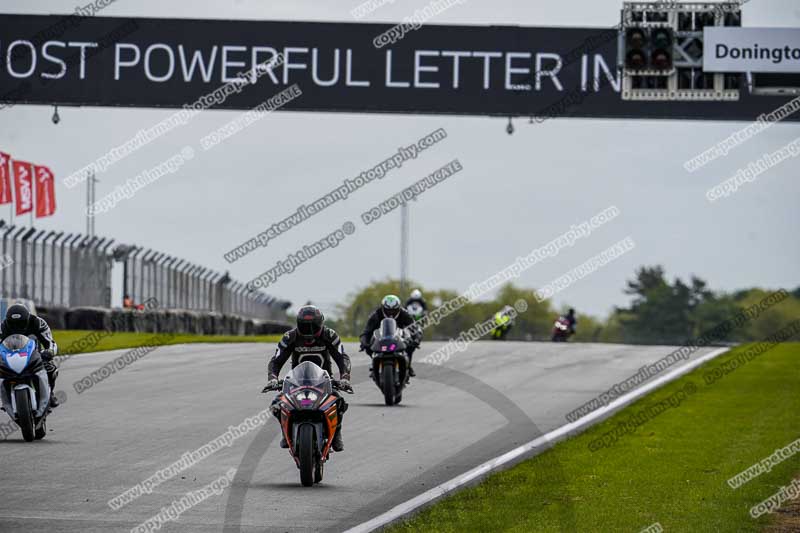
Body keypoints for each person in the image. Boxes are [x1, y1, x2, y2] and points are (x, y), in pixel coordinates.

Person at [263, 305, 351, 451]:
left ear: (320, 323)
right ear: (298, 324)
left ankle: (337, 434)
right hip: (296, 383)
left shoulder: (330, 335)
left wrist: (345, 378)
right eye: (305, 326)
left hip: (324, 382)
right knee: (277, 404)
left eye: (313, 325)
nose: (309, 330)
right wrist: (272, 378)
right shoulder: (289, 337)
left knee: (339, 402)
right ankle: (285, 432)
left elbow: (342, 358)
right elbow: (276, 361)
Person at [0, 303, 60, 408]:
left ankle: (49, 393)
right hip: (10, 356)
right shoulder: (2, 327)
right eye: (13, 324)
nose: (17, 327)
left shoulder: (38, 323)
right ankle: (5, 398)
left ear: (27, 319)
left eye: (20, 323)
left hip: (35, 355)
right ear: (8, 322)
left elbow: (50, 342)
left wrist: (50, 351)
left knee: (50, 368)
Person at [360, 294, 420, 377]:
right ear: (383, 308)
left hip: (399, 336)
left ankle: (408, 366)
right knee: (368, 345)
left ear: (398, 308)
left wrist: (416, 339)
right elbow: (367, 331)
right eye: (388, 310)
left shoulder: (404, 313)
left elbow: (415, 328)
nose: (391, 313)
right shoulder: (376, 314)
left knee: (411, 345)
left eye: (394, 310)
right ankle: (375, 365)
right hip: (381, 337)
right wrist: (364, 342)